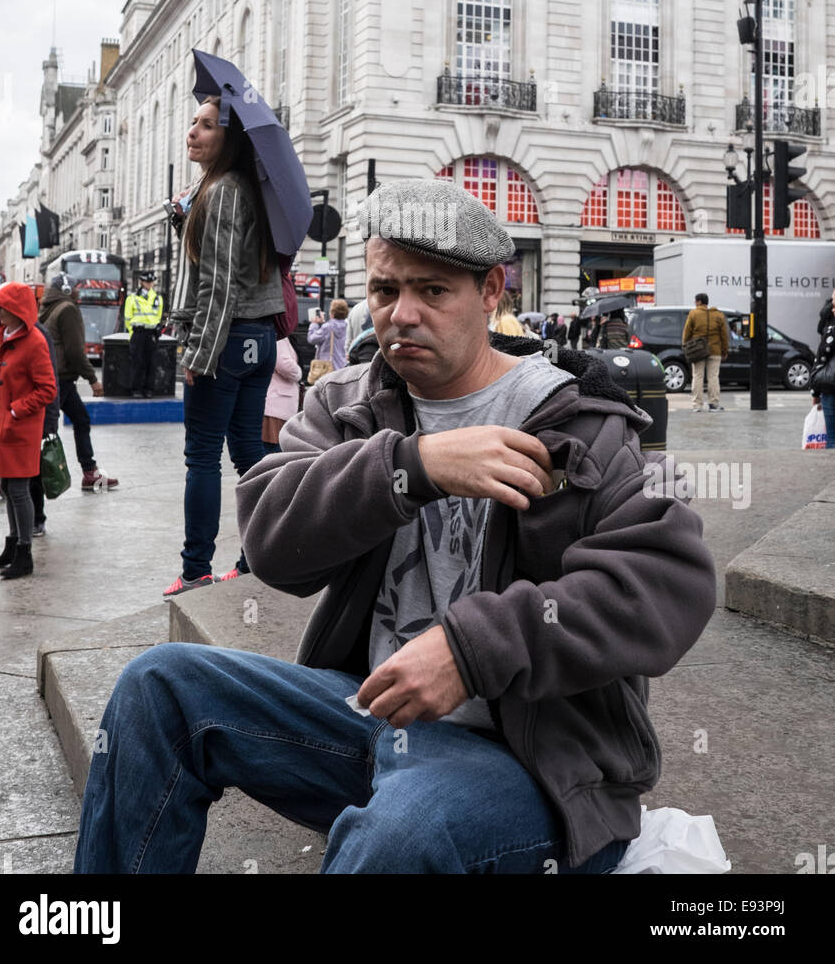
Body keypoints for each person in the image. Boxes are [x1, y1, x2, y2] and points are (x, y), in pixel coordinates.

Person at [73, 177, 716, 876]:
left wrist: (475, 651)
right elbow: (271, 543)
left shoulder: (587, 420)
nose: (402, 314)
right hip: (364, 718)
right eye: (385, 291)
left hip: (531, 763)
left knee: (401, 837)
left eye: (433, 291)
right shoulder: (347, 402)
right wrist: (412, 467)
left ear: (492, 290)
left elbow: (669, 583)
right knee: (158, 685)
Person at [165, 94, 284, 597]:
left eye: (208, 125)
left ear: (229, 138)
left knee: (202, 457)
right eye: (193, 122)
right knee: (249, 454)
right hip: (256, 341)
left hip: (227, 341)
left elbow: (219, 284)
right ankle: (256, 559)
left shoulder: (224, 192)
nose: (193, 132)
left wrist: (198, 351)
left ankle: (196, 570)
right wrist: (183, 220)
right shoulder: (234, 191)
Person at [0, 282, 57, 580]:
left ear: (17, 309)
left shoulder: (34, 340)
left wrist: (15, 410)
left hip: (19, 428)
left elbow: (47, 388)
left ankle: (24, 554)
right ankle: (12, 547)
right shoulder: (0, 336)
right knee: (8, 487)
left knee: (19, 490)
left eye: (1, 305)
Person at [38, 274, 118, 493]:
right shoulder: (68, 309)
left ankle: (90, 472)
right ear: (66, 290)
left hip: (55, 376)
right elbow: (74, 350)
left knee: (80, 419)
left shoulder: (47, 308)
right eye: (75, 288)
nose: (79, 292)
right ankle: (4, 474)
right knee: (45, 429)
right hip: (61, 378)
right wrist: (93, 379)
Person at [682, 293, 729, 413]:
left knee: (698, 376)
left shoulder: (694, 314)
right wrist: (725, 350)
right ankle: (713, 404)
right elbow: (724, 335)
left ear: (698, 302)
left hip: (698, 350)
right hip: (715, 350)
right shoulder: (718, 315)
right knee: (713, 377)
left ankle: (697, 405)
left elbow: (687, 332)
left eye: (695, 301)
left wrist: (685, 346)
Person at [124, 269, 164, 398]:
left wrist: (156, 330)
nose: (150, 284)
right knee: (137, 362)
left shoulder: (158, 298)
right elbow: (127, 318)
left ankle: (149, 389)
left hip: (151, 334)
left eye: (151, 282)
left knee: (151, 363)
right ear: (141, 282)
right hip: (138, 333)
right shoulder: (132, 298)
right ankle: (136, 389)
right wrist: (132, 335)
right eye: (147, 282)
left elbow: (158, 317)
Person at [261, 336, 302, 455]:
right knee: (274, 450)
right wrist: (299, 373)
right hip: (277, 403)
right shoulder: (280, 338)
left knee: (272, 449)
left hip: (275, 403)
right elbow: (285, 364)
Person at [811, 287, 835, 447]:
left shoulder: (831, 330)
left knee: (832, 437)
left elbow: (821, 358)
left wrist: (815, 392)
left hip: (830, 385)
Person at [307, 300, 349, 375]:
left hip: (328, 367)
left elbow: (311, 339)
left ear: (332, 313)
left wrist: (314, 324)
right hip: (342, 366)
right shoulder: (347, 325)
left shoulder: (328, 327)